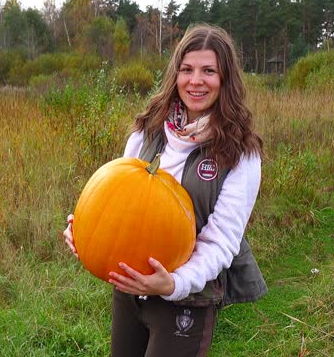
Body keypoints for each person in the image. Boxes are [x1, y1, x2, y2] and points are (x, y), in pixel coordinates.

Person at [63, 23, 266, 356]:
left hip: (187, 300)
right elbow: (117, 200)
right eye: (187, 69)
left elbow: (222, 240)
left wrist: (172, 284)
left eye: (209, 71)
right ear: (176, 74)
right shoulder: (148, 129)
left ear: (226, 79)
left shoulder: (240, 152)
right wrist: (85, 232)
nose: (195, 80)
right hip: (128, 292)